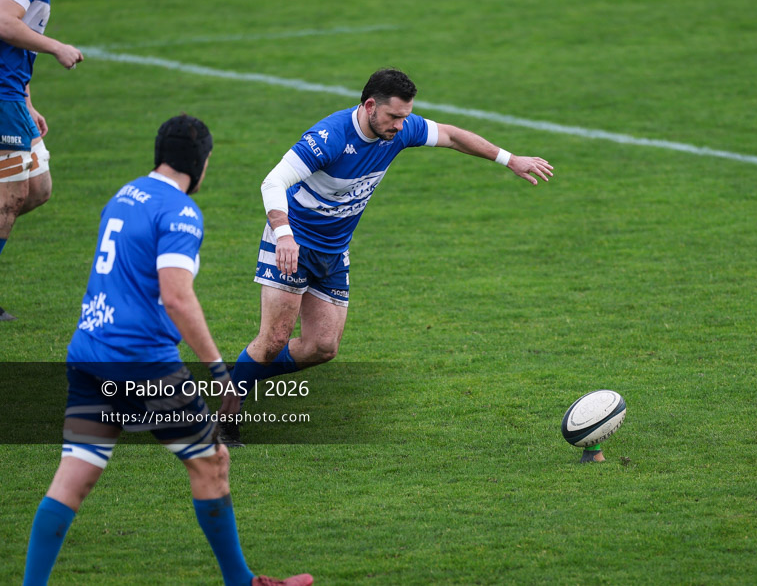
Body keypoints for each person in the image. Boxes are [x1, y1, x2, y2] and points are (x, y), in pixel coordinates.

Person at [23, 115, 311, 586]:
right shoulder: (179, 212)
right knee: (213, 460)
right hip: (141, 361)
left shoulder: (124, 194)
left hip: (90, 351)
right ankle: (241, 581)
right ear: (200, 163)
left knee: (74, 479)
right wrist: (217, 367)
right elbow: (177, 296)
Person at [221, 68, 553, 444]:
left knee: (323, 347)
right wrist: (283, 235)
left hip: (333, 251)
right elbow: (273, 181)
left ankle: (240, 373)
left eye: (406, 116)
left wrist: (509, 159)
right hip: (293, 245)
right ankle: (224, 419)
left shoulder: (401, 128)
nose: (401, 125)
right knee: (275, 339)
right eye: (394, 117)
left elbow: (451, 135)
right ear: (369, 106)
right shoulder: (329, 138)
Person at [0, 0, 84, 321]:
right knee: (11, 196)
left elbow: (12, 45)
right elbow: (4, 22)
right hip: (1, 95)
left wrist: (28, 100)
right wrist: (57, 48)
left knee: (38, 187)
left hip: (13, 93)